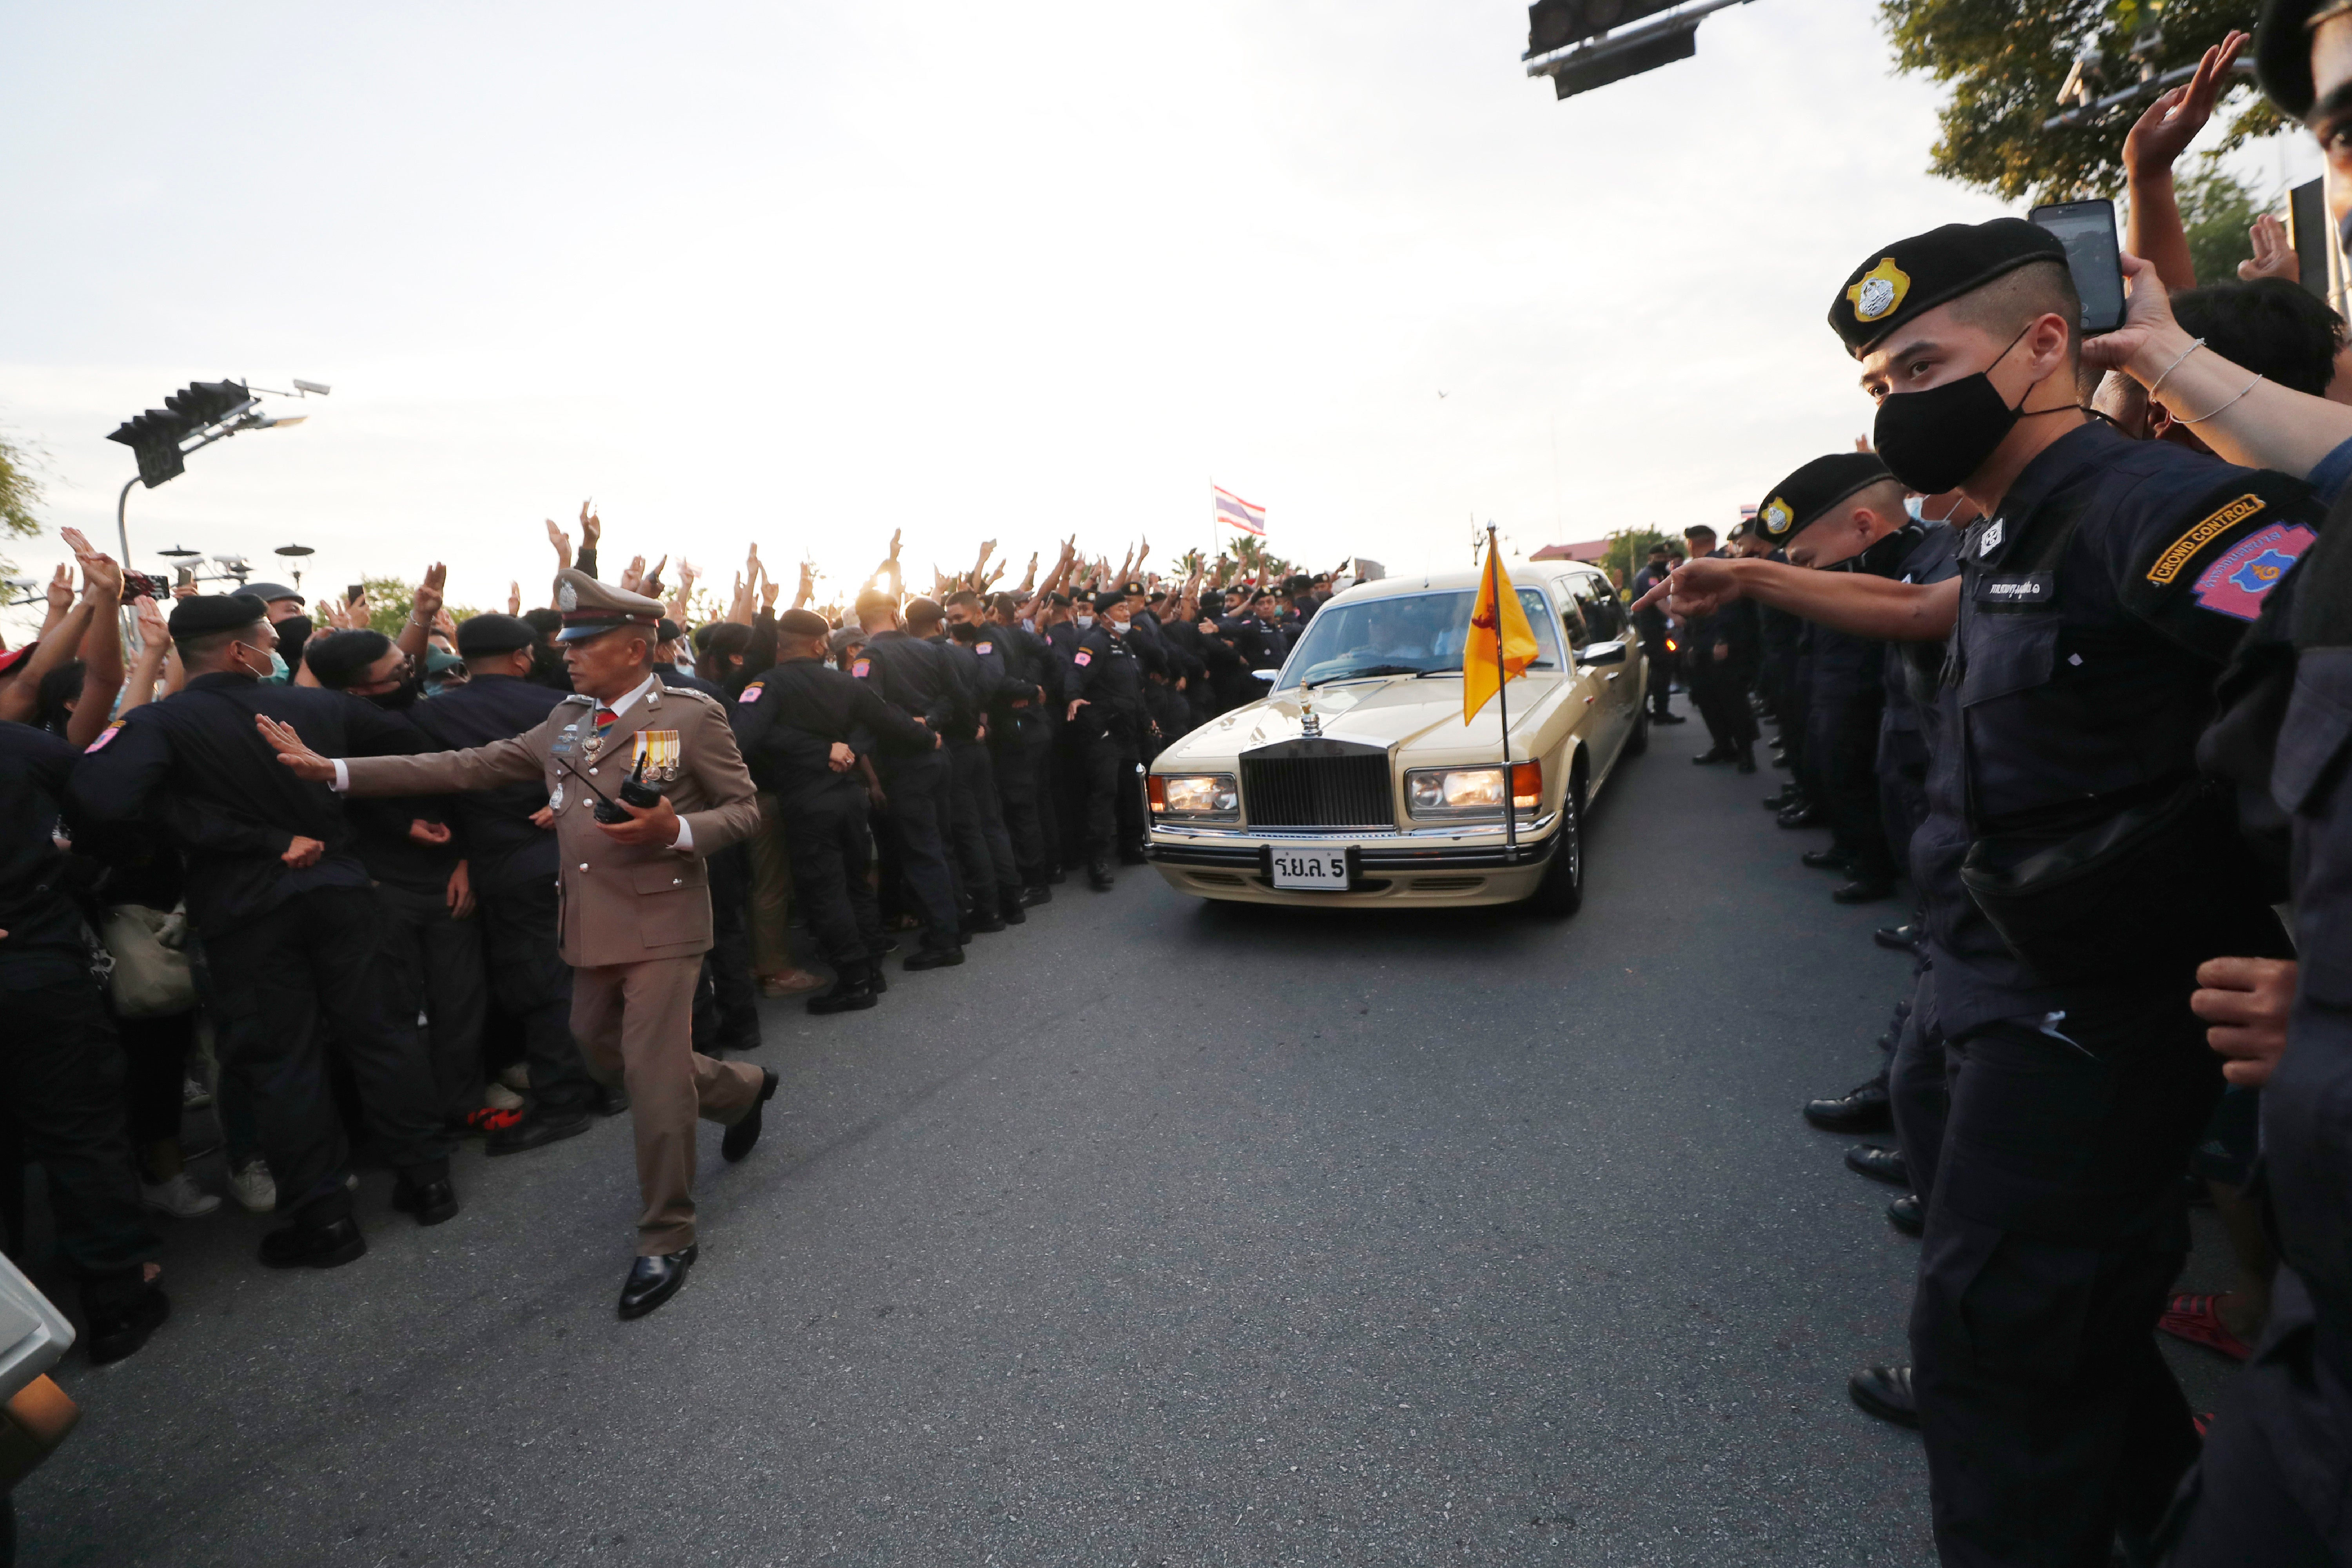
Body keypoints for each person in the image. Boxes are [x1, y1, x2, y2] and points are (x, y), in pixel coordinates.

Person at [1640, 214, 2321, 1565]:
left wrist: (2335, 972)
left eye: (1918, 366)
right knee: (2052, 1338)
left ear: (2045, 345)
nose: (1896, 406)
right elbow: (1914, 613)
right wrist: (1746, 572)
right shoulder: (2016, 530)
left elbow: (2331, 698)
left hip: (2096, 1024)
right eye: (1879, 386)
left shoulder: (2161, 512)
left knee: (1995, 1360)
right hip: (1989, 987)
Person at [256, 571, 778, 1320]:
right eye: (566, 642)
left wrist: (679, 831)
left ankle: (667, 1234)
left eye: (585, 643)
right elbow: (469, 765)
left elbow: (745, 811)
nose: (567, 654)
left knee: (654, 1079)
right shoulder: (567, 717)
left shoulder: (688, 716)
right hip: (590, 921)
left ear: (636, 648)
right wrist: (335, 771)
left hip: (663, 920)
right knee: (599, 1051)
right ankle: (740, 1089)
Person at [71, 593, 459, 1270]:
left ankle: (326, 1221)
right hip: (338, 895)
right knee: (383, 1034)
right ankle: (429, 1183)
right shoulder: (316, 709)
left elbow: (100, 800)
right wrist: (336, 824)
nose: (275, 653)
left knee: (285, 1063)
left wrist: (206, 830)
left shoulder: (159, 725)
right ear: (238, 651)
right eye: (266, 641)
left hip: (245, 911)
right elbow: (415, 750)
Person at [406, 611, 610, 1152]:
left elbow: (432, 790)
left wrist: (462, 857)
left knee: (541, 986)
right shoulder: (560, 706)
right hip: (579, 857)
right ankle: (603, 1084)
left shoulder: (432, 716)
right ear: (522, 657)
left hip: (505, 866)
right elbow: (614, 768)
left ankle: (565, 1101)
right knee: (591, 971)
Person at [733, 608, 938, 1013]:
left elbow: (741, 738)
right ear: (818, 644)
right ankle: (871, 968)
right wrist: (926, 736)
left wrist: (842, 750)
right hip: (847, 798)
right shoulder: (842, 683)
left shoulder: (767, 685)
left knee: (827, 892)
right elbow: (887, 719)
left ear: (780, 646)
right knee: (856, 884)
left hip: (809, 801)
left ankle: (855, 980)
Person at [1752, 456, 1919, 903]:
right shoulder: (1861, 569)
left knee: (1878, 788)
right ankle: (1858, 854)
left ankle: (1877, 871)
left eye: (1807, 561)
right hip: (1838, 689)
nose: (1805, 579)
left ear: (1864, 528)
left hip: (1875, 705)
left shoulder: (1927, 566)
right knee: (1842, 776)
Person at [850, 587, 967, 969]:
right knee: (942, 844)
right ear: (897, 615)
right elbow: (957, 699)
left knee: (922, 851)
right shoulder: (929, 649)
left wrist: (917, 729)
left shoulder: (870, 656)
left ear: (862, 621)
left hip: (905, 762)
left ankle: (945, 941)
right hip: (937, 755)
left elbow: (873, 710)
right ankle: (956, 923)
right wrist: (930, 723)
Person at [1066, 589, 1153, 890]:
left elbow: (1134, 691)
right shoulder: (1094, 644)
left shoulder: (1124, 646)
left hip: (1129, 732)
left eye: (1127, 608)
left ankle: (1131, 847)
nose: (1127, 612)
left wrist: (1147, 721)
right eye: (1120, 608)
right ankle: (1098, 861)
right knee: (1105, 795)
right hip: (1105, 734)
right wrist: (1074, 698)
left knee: (1131, 791)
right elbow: (1076, 674)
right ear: (1104, 616)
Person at [1677, 524, 1759, 771]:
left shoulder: (1719, 566)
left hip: (1722, 645)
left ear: (1692, 544)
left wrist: (1723, 640)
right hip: (1703, 643)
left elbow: (1730, 606)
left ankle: (1745, 753)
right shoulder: (1699, 568)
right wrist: (1692, 644)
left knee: (1732, 700)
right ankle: (1724, 746)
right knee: (1707, 698)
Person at [1628, 544, 1685, 724]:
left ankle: (1650, 710)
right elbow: (1659, 599)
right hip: (1651, 630)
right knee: (1662, 669)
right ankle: (1661, 712)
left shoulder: (1658, 574)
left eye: (1664, 557)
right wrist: (1675, 617)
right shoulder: (1649, 577)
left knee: (1655, 671)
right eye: (1658, 557)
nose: (1663, 561)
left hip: (1654, 629)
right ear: (1651, 558)